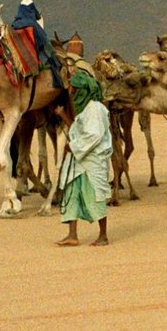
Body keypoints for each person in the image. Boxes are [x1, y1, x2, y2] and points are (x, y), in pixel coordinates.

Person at [56, 71, 113, 246]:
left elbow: (93, 135)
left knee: (95, 196)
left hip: (92, 160)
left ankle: (103, 235)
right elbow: (78, 130)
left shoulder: (95, 109)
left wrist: (73, 147)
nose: (71, 91)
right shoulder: (85, 110)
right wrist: (63, 116)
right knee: (72, 193)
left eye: (74, 88)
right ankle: (72, 235)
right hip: (79, 160)